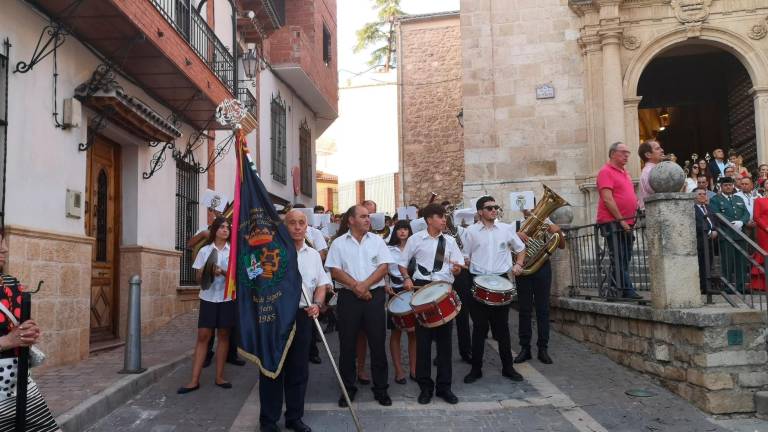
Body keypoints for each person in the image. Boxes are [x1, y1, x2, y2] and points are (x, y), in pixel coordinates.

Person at [259, 210, 329, 432]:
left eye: (301, 223)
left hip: (303, 315)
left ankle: (294, 417)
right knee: (272, 369)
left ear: (306, 227)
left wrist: (317, 303)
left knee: (299, 370)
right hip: (276, 316)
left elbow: (321, 283)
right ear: (284, 226)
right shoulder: (271, 250)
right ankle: (269, 421)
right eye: (292, 223)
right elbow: (258, 281)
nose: (297, 227)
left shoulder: (313, 255)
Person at [325, 205, 393, 407]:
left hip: (374, 296)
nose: (367, 219)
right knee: (347, 344)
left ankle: (381, 389)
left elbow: (384, 267)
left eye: (368, 216)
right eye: (363, 216)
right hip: (348, 297)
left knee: (378, 343)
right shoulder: (338, 243)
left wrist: (364, 285)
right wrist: (356, 286)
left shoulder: (377, 241)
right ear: (351, 220)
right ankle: (347, 389)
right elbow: (335, 271)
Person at [399, 203, 464, 405]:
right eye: (440, 217)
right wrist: (407, 278)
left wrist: (456, 271)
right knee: (423, 342)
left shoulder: (450, 242)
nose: (444, 220)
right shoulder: (415, 239)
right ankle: (425, 387)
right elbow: (402, 263)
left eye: (444, 217)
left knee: (445, 344)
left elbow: (458, 267)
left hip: (443, 290)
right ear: (429, 220)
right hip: (421, 289)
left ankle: (445, 387)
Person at [462, 196, 526, 384]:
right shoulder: (471, 232)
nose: (493, 210)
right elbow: (465, 255)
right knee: (480, 328)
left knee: (502, 328)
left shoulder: (506, 229)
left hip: (501, 281)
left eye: (495, 207)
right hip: (478, 281)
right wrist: (464, 261)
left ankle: (508, 367)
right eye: (489, 208)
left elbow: (520, 248)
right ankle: (476, 369)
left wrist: (519, 264)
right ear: (480, 212)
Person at [0, 232, 59, 431]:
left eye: (3, 242)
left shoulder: (10, 284)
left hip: (19, 382)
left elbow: (16, 327)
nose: (4, 248)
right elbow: (9, 337)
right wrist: (8, 341)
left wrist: (28, 333)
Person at [178, 217, 235, 394]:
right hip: (208, 297)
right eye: (221, 227)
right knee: (203, 335)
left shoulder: (233, 251)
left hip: (227, 298)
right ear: (215, 230)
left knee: (224, 335)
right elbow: (197, 278)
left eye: (228, 227)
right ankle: (194, 380)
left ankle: (219, 377)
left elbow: (237, 277)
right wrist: (209, 270)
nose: (225, 230)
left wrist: (223, 272)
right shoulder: (204, 250)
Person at [514, 212, 565, 365]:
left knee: (543, 310)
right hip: (524, 269)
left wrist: (557, 230)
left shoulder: (546, 223)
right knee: (524, 310)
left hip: (542, 268)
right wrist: (516, 234)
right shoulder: (515, 224)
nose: (530, 211)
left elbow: (562, 245)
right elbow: (504, 242)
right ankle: (525, 348)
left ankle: (543, 348)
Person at [596, 142, 642, 299]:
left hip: (626, 222)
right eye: (623, 152)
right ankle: (627, 290)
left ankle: (614, 290)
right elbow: (608, 199)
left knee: (624, 256)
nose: (627, 155)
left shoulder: (625, 173)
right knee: (619, 255)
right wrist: (622, 221)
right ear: (612, 153)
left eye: (628, 152)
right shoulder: (605, 172)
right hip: (612, 222)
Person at [385, 220, 417, 384]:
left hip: (413, 290)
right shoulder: (388, 249)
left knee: (413, 332)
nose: (403, 232)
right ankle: (399, 371)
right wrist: (385, 284)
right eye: (400, 229)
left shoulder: (414, 248)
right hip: (395, 291)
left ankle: (414, 368)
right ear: (395, 231)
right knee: (396, 332)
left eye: (406, 229)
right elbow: (383, 269)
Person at [710, 176, 750, 293]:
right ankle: (728, 287)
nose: (728, 187)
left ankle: (741, 287)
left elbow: (746, 213)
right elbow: (717, 214)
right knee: (728, 263)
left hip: (740, 234)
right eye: (726, 185)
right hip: (726, 234)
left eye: (730, 185)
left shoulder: (738, 198)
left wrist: (741, 221)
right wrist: (732, 223)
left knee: (741, 262)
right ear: (721, 187)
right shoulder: (715, 199)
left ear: (733, 186)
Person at [694, 188, 717, 294]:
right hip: (700, 242)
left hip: (711, 242)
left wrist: (715, 230)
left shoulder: (708, 207)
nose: (703, 196)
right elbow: (696, 224)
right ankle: (703, 287)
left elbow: (714, 221)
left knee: (709, 263)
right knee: (702, 265)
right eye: (700, 194)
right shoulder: (692, 209)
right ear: (694, 196)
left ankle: (707, 285)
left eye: (704, 194)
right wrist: (709, 232)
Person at [637, 139, 665, 209]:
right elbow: (659, 192)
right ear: (648, 155)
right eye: (657, 149)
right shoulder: (649, 171)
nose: (662, 150)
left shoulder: (655, 169)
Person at [752, 192, 768, 291]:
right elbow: (756, 217)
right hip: (763, 232)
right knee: (764, 254)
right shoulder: (759, 200)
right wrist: (766, 227)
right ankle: (761, 284)